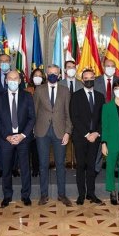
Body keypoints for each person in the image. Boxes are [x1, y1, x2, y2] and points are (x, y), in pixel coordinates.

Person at [0, 70, 36, 207]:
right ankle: (7, 196)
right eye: (9, 78)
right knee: (6, 169)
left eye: (15, 78)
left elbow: (32, 118)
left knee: (25, 168)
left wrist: (22, 135)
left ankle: (25, 195)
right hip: (6, 139)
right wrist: (7, 136)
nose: (12, 81)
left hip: (23, 138)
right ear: (6, 81)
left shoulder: (27, 96)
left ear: (19, 81)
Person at [33, 64, 73, 206]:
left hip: (60, 132)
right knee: (43, 164)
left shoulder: (65, 90)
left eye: (55, 73)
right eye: (50, 73)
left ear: (60, 75)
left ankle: (62, 195)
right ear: (46, 74)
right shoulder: (39, 90)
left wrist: (68, 132)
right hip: (42, 132)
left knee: (60, 164)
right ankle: (43, 195)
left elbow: (69, 113)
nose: (52, 75)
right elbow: (34, 112)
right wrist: (33, 130)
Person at [70, 69, 105, 205]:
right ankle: (81, 195)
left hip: (95, 137)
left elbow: (103, 118)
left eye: (91, 77)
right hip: (80, 136)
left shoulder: (100, 96)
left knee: (91, 166)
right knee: (81, 166)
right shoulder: (76, 96)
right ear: (82, 79)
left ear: (94, 79)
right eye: (86, 78)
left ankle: (91, 194)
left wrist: (96, 133)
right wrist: (87, 134)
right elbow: (75, 117)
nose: (89, 80)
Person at [25, 68, 46, 177]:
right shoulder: (28, 90)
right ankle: (30, 169)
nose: (37, 77)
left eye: (40, 75)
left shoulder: (46, 89)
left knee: (39, 149)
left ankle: (37, 169)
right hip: (29, 122)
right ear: (32, 77)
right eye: (35, 75)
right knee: (30, 148)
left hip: (42, 122)